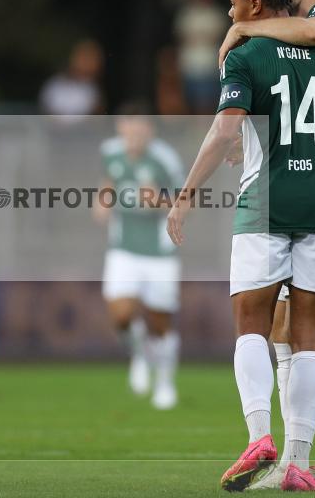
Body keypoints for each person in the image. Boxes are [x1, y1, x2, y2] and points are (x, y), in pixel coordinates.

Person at [166, 0, 315, 491]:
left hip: (264, 205)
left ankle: (261, 435)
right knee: (307, 338)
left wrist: (186, 194)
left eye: (235, 3)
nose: (230, 13)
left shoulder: (249, 51)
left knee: (252, 329)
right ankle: (300, 464)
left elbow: (224, 130)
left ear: (256, 6)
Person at [94, 105, 184, 410]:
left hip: (159, 252)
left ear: (151, 132)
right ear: (121, 128)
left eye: (140, 130)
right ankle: (139, 353)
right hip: (123, 247)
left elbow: (186, 205)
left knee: (160, 323)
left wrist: (159, 201)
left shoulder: (165, 160)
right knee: (120, 314)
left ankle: (165, 383)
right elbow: (109, 182)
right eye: (129, 129)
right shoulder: (110, 152)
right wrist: (103, 202)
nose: (134, 136)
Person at [175, 0, 228, 114]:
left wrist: (197, 37)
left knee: (210, 101)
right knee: (190, 101)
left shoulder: (216, 13)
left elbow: (216, 36)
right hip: (190, 64)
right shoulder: (186, 14)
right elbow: (181, 36)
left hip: (210, 63)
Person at [39, 39, 104, 123]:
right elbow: (46, 112)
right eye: (84, 57)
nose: (86, 62)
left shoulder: (93, 90)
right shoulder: (54, 84)